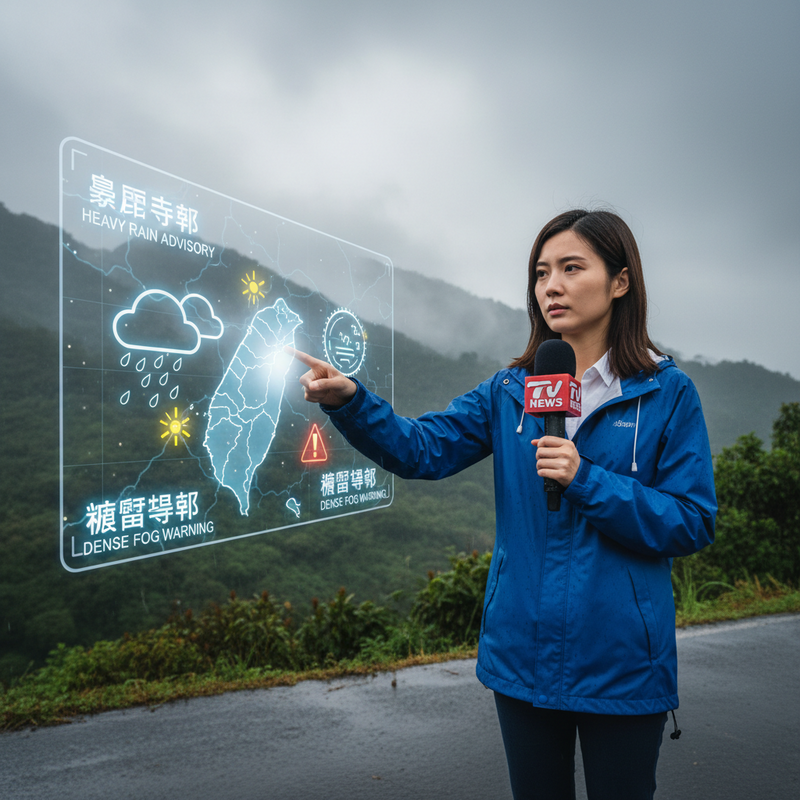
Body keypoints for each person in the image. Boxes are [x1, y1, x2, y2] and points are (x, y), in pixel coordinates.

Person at [289, 209, 717, 800]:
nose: (552, 287)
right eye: (542, 273)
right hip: (523, 657)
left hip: (622, 665)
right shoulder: (511, 391)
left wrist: (585, 478)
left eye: (572, 268)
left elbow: (692, 521)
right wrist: (352, 402)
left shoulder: (667, 393)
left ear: (620, 281)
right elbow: (422, 449)